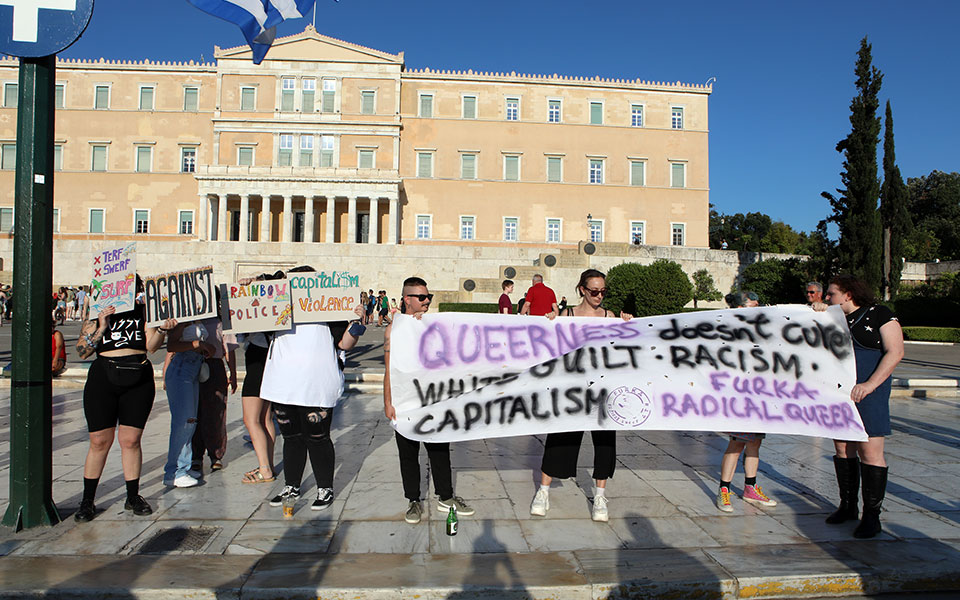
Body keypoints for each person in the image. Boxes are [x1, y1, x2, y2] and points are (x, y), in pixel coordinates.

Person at [531, 269, 631, 522]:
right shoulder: (567, 315)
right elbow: (549, 347)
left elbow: (627, 348)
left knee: (605, 443)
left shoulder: (611, 317)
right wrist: (549, 322)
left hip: (602, 388)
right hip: (573, 389)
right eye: (594, 291)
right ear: (582, 290)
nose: (599, 296)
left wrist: (629, 325)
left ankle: (600, 496)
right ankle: (543, 491)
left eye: (603, 291)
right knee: (559, 438)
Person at [263, 265, 366, 511]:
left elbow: (345, 343)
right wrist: (250, 285)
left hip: (316, 384)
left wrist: (356, 323)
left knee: (317, 438)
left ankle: (324, 488)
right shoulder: (279, 308)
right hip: (284, 384)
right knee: (291, 438)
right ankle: (292, 486)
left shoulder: (328, 308)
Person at [74, 280, 176, 522]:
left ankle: (133, 496)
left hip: (137, 375)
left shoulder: (144, 310)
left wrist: (162, 330)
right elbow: (82, 351)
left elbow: (151, 347)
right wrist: (101, 326)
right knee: (99, 440)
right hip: (103, 376)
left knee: (131, 440)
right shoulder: (97, 313)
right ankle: (88, 500)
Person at [383, 276, 475, 524]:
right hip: (406, 401)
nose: (426, 301)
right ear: (407, 300)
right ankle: (413, 500)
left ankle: (446, 496)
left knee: (439, 448)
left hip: (434, 400)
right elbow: (389, 367)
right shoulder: (394, 329)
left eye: (428, 297)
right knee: (408, 453)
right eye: (422, 297)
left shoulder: (436, 326)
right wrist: (387, 400)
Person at [819, 274, 903, 538]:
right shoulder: (833, 318)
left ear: (848, 294)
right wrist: (818, 313)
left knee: (870, 452)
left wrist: (871, 385)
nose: (827, 298)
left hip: (869, 393)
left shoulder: (880, 314)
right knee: (843, 449)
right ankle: (847, 506)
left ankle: (871, 515)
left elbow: (895, 351)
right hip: (841, 395)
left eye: (831, 294)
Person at [715, 291, 777, 513]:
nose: (758, 309)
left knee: (754, 442)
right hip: (739, 395)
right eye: (753, 305)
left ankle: (750, 487)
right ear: (741, 309)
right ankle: (724, 489)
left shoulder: (760, 330)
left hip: (758, 395)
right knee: (737, 442)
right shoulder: (729, 331)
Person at [163, 318, 219, 488]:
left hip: (193, 367)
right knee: (184, 422)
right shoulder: (183, 319)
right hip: (182, 368)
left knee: (190, 421)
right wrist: (199, 345)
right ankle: (175, 471)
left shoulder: (198, 317)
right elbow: (171, 345)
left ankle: (183, 466)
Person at [190, 310, 238, 477]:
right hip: (193, 364)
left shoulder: (221, 322)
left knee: (215, 412)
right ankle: (195, 455)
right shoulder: (189, 319)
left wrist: (233, 372)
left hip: (215, 366)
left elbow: (229, 349)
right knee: (194, 413)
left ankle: (215, 454)